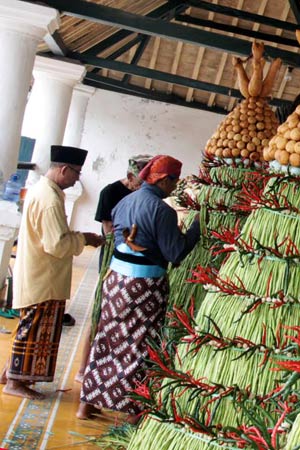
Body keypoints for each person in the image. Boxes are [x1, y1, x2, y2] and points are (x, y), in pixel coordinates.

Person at [77, 155, 200, 423]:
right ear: (166, 180)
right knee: (139, 345)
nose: (175, 186)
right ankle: (133, 412)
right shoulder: (162, 210)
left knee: (108, 338)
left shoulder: (124, 201)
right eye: (174, 181)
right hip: (144, 286)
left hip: (116, 281)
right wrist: (196, 228)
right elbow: (175, 253)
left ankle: (86, 405)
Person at [0, 145, 104, 400]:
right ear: (64, 170)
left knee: (30, 327)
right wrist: (85, 239)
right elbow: (56, 244)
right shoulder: (48, 198)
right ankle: (15, 382)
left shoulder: (47, 192)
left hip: (40, 274)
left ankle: (8, 374)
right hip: (42, 277)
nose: (78, 178)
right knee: (34, 330)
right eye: (76, 173)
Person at [74, 154, 152, 383]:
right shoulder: (110, 193)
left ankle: (107, 370)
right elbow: (109, 231)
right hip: (113, 258)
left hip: (129, 260)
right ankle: (83, 368)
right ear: (130, 176)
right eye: (141, 180)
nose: (144, 186)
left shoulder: (141, 195)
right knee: (99, 314)